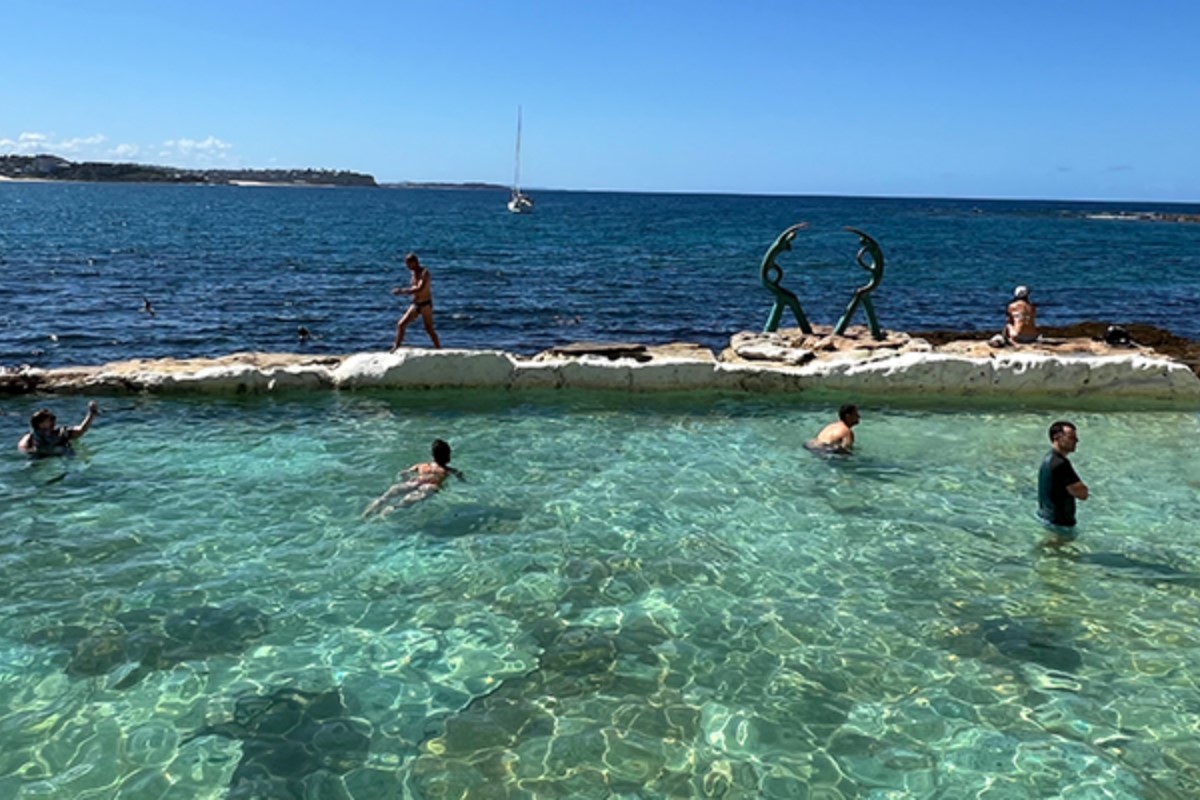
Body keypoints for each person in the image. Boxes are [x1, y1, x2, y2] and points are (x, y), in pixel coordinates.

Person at [363, 438, 463, 518]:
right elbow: (460, 478)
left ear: (432, 454)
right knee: (408, 501)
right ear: (448, 455)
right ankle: (392, 509)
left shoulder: (421, 465)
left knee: (385, 497)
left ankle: (368, 513)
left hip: (414, 482)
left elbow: (403, 473)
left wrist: (405, 478)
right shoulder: (449, 470)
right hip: (429, 487)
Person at [1037, 420, 1089, 547]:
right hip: (1059, 525)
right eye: (1071, 437)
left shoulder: (1048, 458)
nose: (1076, 441)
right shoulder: (1060, 464)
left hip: (1046, 518)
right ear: (1057, 438)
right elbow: (1082, 494)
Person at [391, 253, 441, 350]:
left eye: (408, 264)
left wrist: (402, 291)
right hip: (416, 304)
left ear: (414, 262)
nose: (407, 267)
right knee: (401, 324)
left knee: (429, 328)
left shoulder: (424, 273)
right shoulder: (413, 273)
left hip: (425, 304)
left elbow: (419, 288)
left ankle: (438, 348)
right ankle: (396, 346)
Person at [17, 401, 100, 457]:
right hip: (41, 457)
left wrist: (91, 415)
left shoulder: (61, 432)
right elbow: (23, 449)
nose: (54, 421)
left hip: (63, 455)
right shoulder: (30, 437)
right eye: (50, 420)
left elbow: (81, 430)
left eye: (53, 419)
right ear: (40, 424)